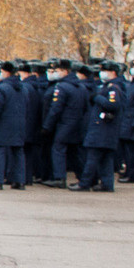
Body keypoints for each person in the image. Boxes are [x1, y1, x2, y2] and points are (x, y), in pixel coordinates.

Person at [0, 61, 31, 189]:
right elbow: (27, 107)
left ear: (5, 72)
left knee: (0, 151)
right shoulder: (24, 88)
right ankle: (20, 181)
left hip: (3, 125)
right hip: (20, 124)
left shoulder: (1, 88)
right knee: (18, 153)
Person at [79, 59, 124, 192]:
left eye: (105, 71)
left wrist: (97, 98)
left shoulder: (113, 88)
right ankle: (106, 184)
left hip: (103, 129)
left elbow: (113, 105)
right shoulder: (108, 86)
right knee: (106, 160)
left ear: (113, 72)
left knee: (93, 158)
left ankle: (84, 183)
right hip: (105, 130)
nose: (102, 73)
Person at [46, 59, 89, 189]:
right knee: (74, 153)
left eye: (58, 71)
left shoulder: (62, 87)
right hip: (78, 124)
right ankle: (83, 177)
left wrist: (47, 125)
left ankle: (60, 178)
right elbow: (86, 107)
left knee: (58, 149)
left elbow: (56, 109)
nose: (56, 73)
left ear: (65, 71)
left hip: (65, 124)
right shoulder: (81, 86)